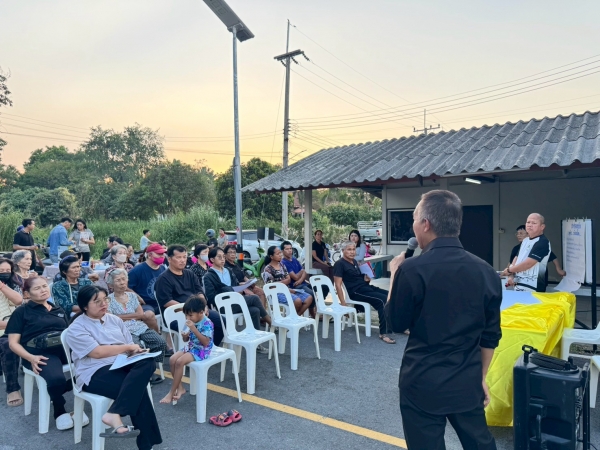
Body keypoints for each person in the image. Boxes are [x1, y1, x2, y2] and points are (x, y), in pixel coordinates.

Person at [385, 190, 501, 450]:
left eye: (414, 219)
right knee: (480, 443)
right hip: (466, 378)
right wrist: (481, 377)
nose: (414, 227)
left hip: (422, 380)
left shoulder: (411, 270)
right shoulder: (487, 272)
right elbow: (490, 335)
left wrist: (394, 274)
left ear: (425, 224)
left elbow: (395, 322)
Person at [67, 285, 162, 448]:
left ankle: (115, 412)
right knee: (137, 390)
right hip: (94, 372)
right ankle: (146, 445)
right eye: (97, 301)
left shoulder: (114, 319)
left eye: (105, 299)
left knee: (148, 362)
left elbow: (129, 344)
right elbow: (97, 353)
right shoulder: (76, 328)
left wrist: (136, 351)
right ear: (84, 306)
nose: (103, 304)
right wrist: (127, 348)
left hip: (121, 363)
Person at [7, 277, 87, 431]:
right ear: (27, 293)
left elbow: (68, 333)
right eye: (37, 288)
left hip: (63, 349)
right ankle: (59, 409)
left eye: (44, 286)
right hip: (37, 353)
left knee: (93, 364)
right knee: (56, 378)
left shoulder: (58, 309)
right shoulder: (21, 312)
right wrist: (31, 358)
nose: (43, 290)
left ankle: (62, 391)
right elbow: (13, 343)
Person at [154, 245, 224, 350]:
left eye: (184, 257)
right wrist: (191, 309)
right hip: (177, 314)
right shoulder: (163, 279)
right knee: (198, 326)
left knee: (221, 322)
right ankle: (195, 351)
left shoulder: (190, 274)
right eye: (179, 257)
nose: (182, 260)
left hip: (197, 310)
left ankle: (209, 349)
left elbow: (199, 291)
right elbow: (167, 301)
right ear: (169, 259)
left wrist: (202, 305)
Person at [107, 269, 165, 383]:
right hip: (124, 331)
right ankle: (144, 374)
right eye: (118, 280)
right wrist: (133, 316)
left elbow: (141, 315)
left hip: (140, 327)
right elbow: (112, 318)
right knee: (138, 349)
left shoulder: (132, 296)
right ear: (111, 285)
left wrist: (123, 316)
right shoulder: (108, 299)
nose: (122, 282)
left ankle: (150, 367)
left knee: (160, 342)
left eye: (124, 279)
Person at [203, 247, 272, 342]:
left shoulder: (228, 270)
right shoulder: (208, 276)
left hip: (236, 301)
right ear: (212, 259)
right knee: (255, 298)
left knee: (255, 310)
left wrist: (242, 288)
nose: (222, 259)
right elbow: (210, 297)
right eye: (219, 257)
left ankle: (256, 341)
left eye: (223, 257)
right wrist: (229, 290)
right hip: (223, 305)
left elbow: (236, 285)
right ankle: (271, 322)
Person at [333, 241, 395, 344]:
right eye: (349, 249)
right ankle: (384, 333)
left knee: (391, 295)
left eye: (353, 249)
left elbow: (358, 278)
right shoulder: (339, 264)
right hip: (356, 292)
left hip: (365, 287)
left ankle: (395, 325)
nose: (352, 252)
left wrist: (366, 279)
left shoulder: (354, 262)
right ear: (343, 251)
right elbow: (338, 285)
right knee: (382, 301)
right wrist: (343, 304)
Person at [160, 295, 213, 405]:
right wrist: (185, 336)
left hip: (202, 350)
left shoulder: (207, 323)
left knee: (180, 362)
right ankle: (180, 388)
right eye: (186, 315)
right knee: (172, 359)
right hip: (191, 346)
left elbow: (206, 342)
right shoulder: (191, 321)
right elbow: (186, 340)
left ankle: (171, 392)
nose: (188, 318)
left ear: (201, 312)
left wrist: (194, 329)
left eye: (190, 315)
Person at [502, 213, 552, 292]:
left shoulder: (542, 242)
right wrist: (511, 275)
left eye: (534, 223)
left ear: (542, 227)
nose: (530, 225)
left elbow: (528, 264)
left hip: (533, 287)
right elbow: (516, 259)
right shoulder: (525, 241)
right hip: (518, 284)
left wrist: (509, 270)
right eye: (528, 222)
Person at [0, 258, 25, 407]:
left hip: (17, 326)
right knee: (8, 346)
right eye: (1, 271)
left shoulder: (12, 286)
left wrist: (2, 286)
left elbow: (18, 301)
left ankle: (28, 365)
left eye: (7, 271)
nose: (4, 273)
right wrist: (12, 325)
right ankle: (13, 389)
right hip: (4, 330)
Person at [263, 246, 313, 316]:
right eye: (278, 254)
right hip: (276, 293)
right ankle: (292, 318)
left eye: (280, 253)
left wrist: (280, 284)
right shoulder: (268, 269)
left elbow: (289, 280)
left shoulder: (282, 265)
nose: (280, 255)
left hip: (287, 290)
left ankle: (295, 317)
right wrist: (283, 285)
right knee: (297, 301)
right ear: (271, 256)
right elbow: (271, 286)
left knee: (309, 298)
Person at [280, 240, 317, 316]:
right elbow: (295, 277)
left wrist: (300, 279)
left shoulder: (294, 259)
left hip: (301, 283)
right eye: (287, 249)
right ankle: (311, 313)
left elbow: (304, 272)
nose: (290, 251)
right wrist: (301, 273)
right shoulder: (284, 263)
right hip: (295, 286)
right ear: (282, 251)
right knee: (311, 293)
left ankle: (314, 311)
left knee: (320, 289)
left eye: (290, 248)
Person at [127, 243, 167, 314]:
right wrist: (137, 297)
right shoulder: (137, 270)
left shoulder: (163, 269)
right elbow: (126, 287)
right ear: (149, 255)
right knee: (149, 315)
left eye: (163, 254)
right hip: (145, 304)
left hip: (162, 302)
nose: (162, 256)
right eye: (159, 254)